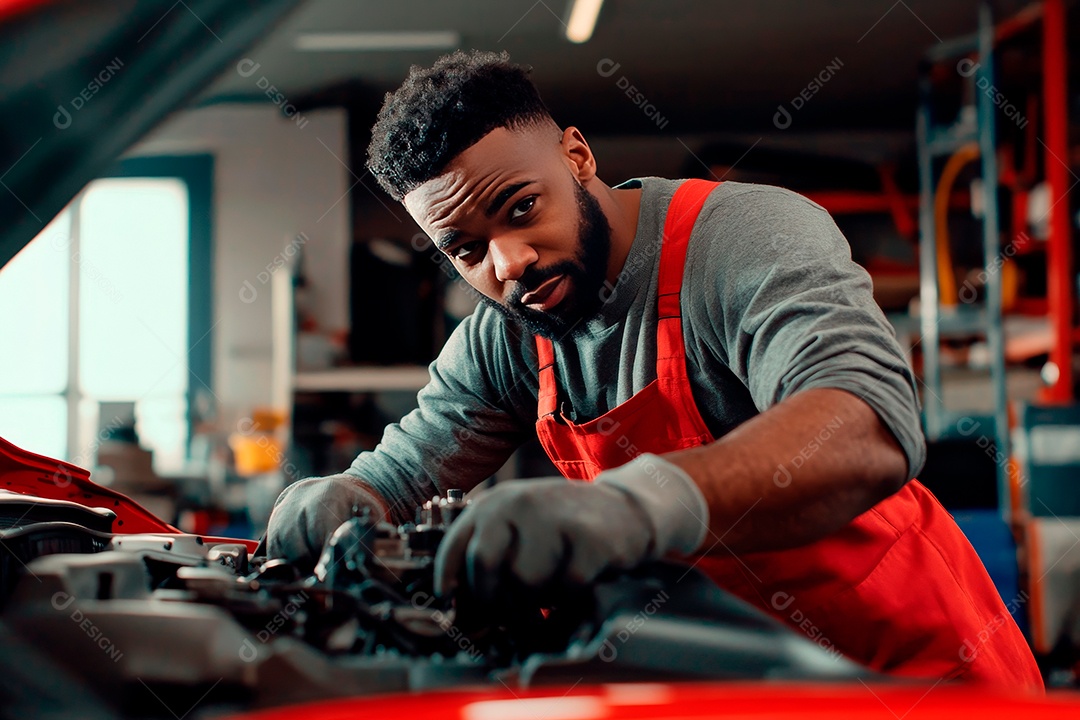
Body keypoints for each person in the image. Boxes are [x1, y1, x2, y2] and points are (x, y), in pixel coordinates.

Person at [267, 50, 1042, 689]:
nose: (508, 262)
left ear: (577, 156)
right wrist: (343, 498)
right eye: (465, 251)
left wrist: (638, 504)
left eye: (520, 207)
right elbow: (402, 474)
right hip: (724, 681)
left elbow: (867, 424)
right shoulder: (505, 335)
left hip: (918, 673)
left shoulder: (742, 238)